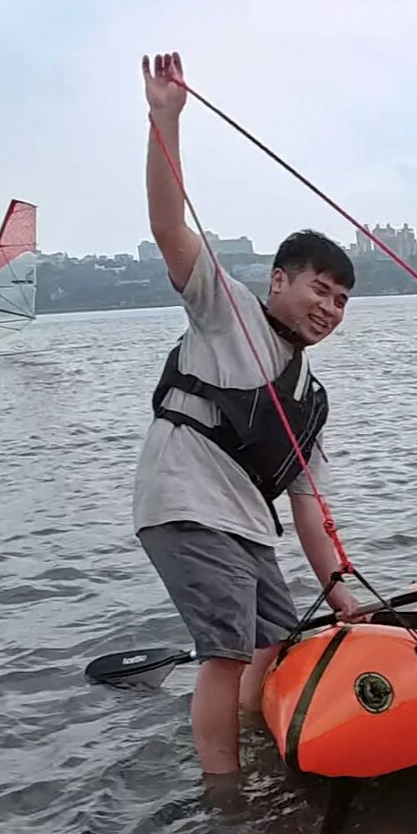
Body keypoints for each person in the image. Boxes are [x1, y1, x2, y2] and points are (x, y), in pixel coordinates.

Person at [131, 49, 366, 775]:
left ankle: (254, 744)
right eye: (317, 289)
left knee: (274, 636)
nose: (327, 307)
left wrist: (342, 594)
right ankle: (224, 793)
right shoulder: (225, 310)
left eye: (340, 300)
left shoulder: (310, 400)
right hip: (186, 508)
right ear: (279, 280)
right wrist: (164, 121)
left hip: (244, 526)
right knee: (229, 650)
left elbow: (309, 511)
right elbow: (171, 226)